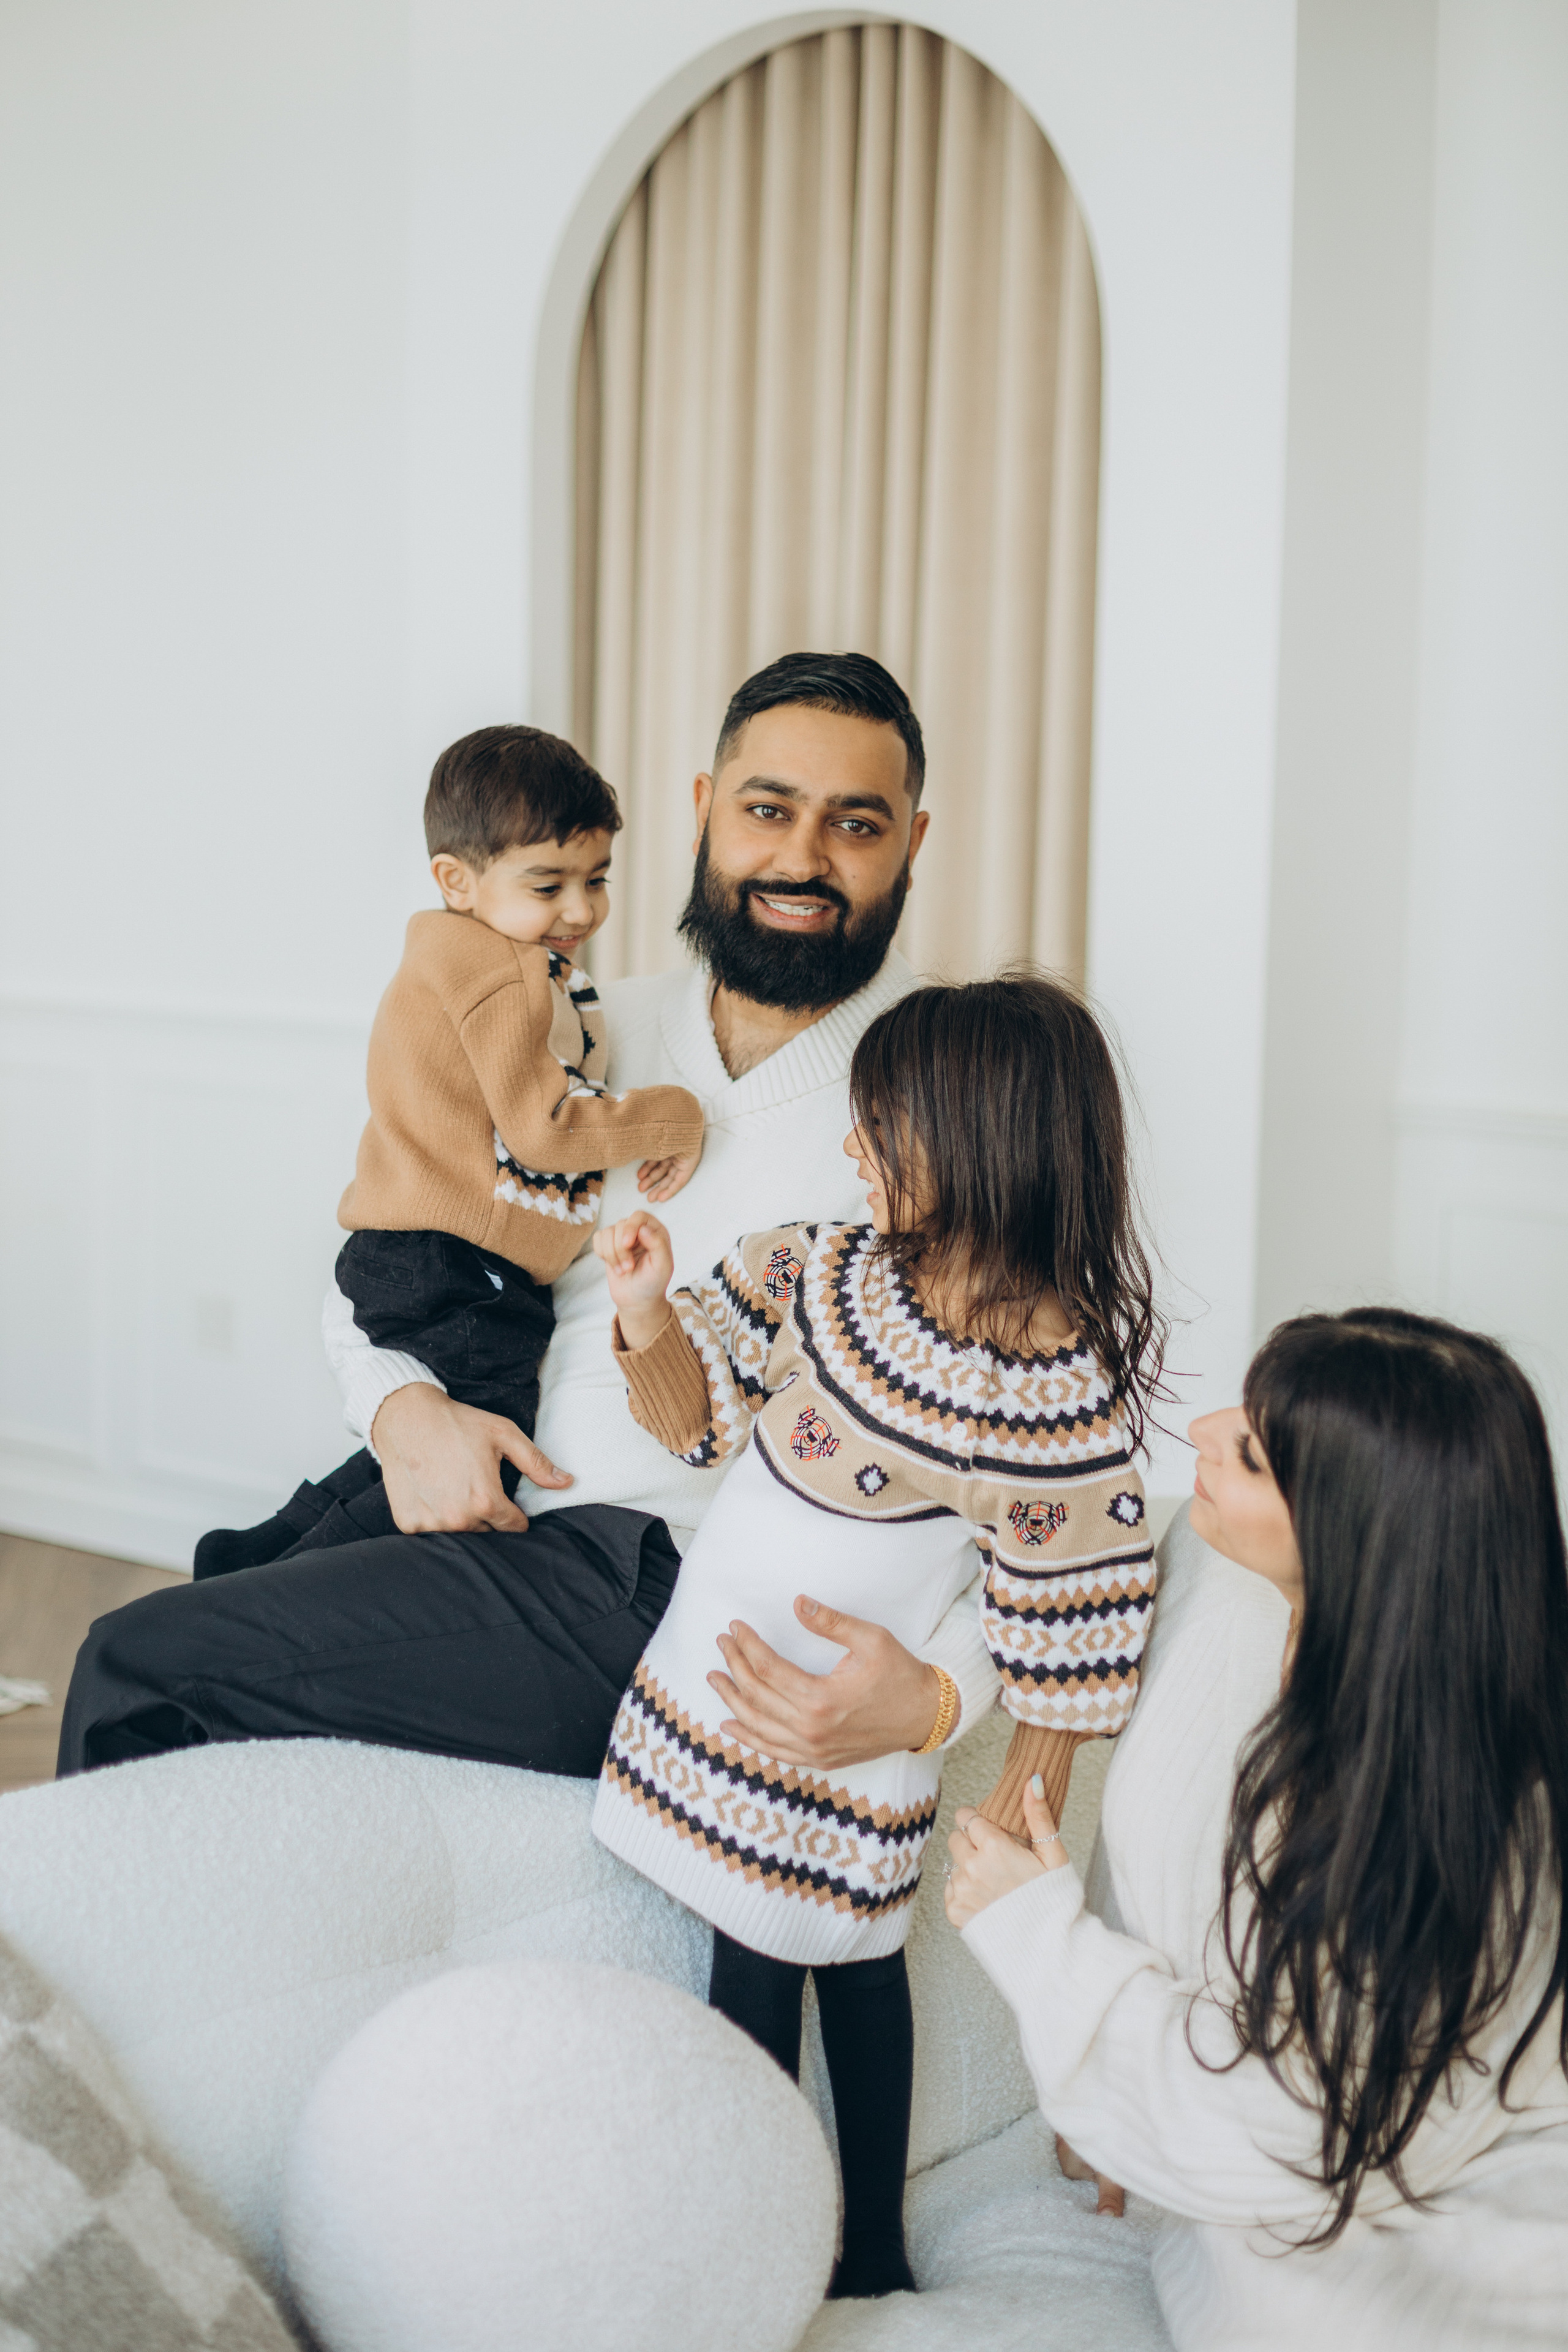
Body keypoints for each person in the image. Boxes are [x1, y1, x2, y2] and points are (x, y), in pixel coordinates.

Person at [58, 653, 994, 1786]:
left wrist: (943, 1693)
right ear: (704, 812)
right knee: (209, 1608)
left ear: (914, 841)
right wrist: (402, 1409)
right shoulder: (585, 1019)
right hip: (484, 1510)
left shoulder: (957, 1098)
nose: (800, 858)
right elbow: (403, 1243)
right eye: (767, 810)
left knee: (139, 1664)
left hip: (660, 1581)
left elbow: (1041, 1442)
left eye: (856, 823)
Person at [590, 974, 1164, 2299]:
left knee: (818, 1954)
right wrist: (642, 1316)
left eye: (879, 1129)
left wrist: (1023, 1815)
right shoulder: (823, 1270)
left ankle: (841, 2245)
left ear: (975, 1151)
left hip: (845, 1743)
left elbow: (1065, 1635)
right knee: (799, 1952)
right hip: (716, 1693)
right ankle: (799, 2226)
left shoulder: (1058, 1409)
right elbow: (694, 1428)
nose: (851, 1151)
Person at [946, 1308, 1568, 2351]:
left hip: (1417, 2204)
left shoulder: (1442, 1819)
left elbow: (1283, 2135)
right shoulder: (1258, 1599)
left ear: (1349, 1532)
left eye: (1250, 1454)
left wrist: (1037, 1938)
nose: (1203, 1430)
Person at [195, 724, 704, 1574]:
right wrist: (674, 1117)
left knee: (430, 1444)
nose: (581, 910)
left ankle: (262, 1553)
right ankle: (275, 1593)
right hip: (461, 1266)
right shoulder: (505, 976)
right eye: (549, 884)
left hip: (412, 1254)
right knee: (474, 1463)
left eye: (597, 879)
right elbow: (542, 1129)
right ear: (456, 880)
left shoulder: (449, 961)